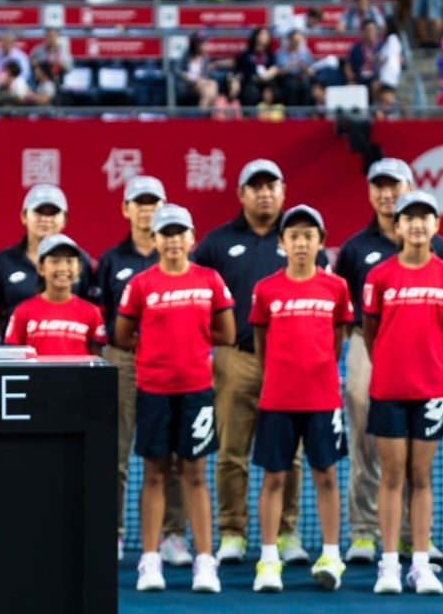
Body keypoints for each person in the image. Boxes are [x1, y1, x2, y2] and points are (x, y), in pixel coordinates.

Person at [194, 158, 328, 566]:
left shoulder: (300, 239)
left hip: (290, 363)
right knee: (232, 450)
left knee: (290, 452)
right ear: (242, 195)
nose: (265, 193)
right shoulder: (216, 244)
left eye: (272, 186)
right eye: (256, 186)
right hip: (237, 359)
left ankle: (286, 532)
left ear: (283, 191)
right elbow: (197, 295)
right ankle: (232, 532)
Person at [333, 158, 443, 565]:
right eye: (378, 186)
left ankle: (411, 535)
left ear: (409, 186)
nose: (386, 193)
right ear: (369, 193)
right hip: (370, 339)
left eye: (393, 185)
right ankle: (365, 532)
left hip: (422, 346)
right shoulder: (354, 248)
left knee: (419, 451)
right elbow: (346, 304)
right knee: (365, 426)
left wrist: (436, 349)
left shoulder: (435, 246)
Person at [115, 203, 235, 593]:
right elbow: (122, 335)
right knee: (154, 475)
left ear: (191, 238)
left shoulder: (210, 280)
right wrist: (156, 352)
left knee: (195, 476)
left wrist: (191, 348)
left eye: (179, 233)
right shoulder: (142, 284)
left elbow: (226, 333)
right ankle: (150, 562)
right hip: (153, 391)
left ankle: (205, 562)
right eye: (165, 234)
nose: (172, 240)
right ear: (156, 240)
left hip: (197, 391)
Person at [249, 205, 353, 593]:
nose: (302, 243)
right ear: (282, 243)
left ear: (321, 243)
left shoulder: (336, 287)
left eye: (309, 236)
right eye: (294, 236)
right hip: (277, 398)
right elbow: (261, 341)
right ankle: (269, 559)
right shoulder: (266, 289)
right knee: (274, 477)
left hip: (323, 398)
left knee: (326, 476)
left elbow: (338, 336)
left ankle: (330, 555)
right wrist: (279, 374)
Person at [95, 175, 190, 566]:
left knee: (175, 453)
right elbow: (103, 316)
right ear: (127, 210)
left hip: (173, 363)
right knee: (116, 452)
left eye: (154, 202)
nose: (147, 209)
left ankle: (172, 535)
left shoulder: (178, 256)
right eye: (140, 203)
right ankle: (113, 533)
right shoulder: (113, 261)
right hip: (126, 362)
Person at [363, 189, 443, 595]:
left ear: (436, 226)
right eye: (409, 217)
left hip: (430, 389)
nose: (417, 223)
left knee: (421, 476)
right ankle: (388, 566)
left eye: (425, 216)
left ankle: (420, 565)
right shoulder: (379, 276)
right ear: (396, 227)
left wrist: (430, 361)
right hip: (389, 389)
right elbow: (370, 335)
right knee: (392, 475)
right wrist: (392, 364)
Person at [0, 183, 92, 341]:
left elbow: (90, 309)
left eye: (53, 213)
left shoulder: (81, 260)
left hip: (70, 352)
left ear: (64, 219)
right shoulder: (4, 260)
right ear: (24, 216)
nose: (45, 219)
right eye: (39, 212)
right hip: (16, 355)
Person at [3, 233, 105, 355]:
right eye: (55, 261)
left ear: (79, 269)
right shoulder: (23, 311)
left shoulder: (91, 312)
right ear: (41, 268)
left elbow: (96, 363)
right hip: (36, 374)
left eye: (69, 261)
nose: (63, 268)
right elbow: (13, 357)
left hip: (77, 375)